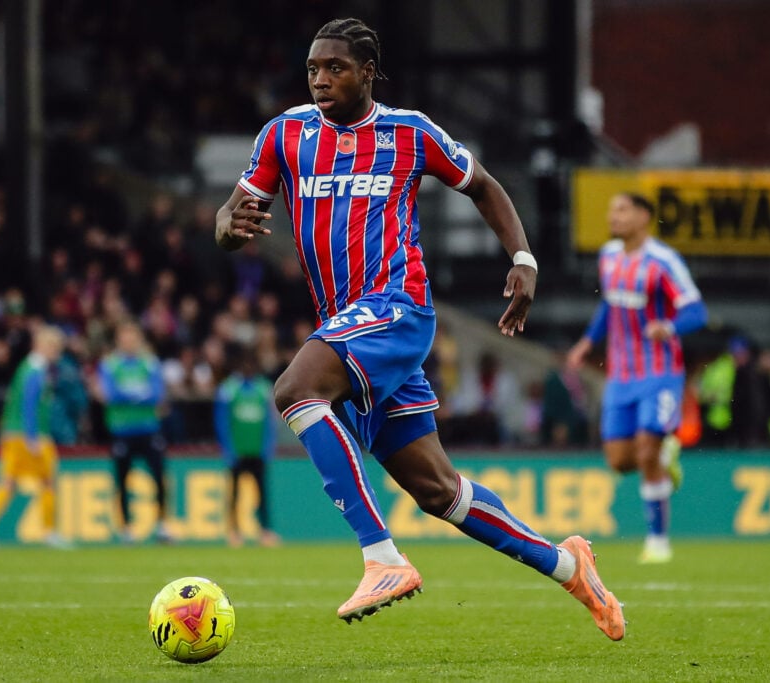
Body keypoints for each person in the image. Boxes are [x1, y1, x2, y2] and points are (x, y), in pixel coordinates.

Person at [215, 17, 623, 640]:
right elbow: (232, 212)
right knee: (439, 492)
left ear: (368, 73)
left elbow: (484, 186)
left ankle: (381, 557)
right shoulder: (284, 135)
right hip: (347, 327)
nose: (322, 80)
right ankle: (570, 567)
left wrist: (523, 259)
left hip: (397, 308)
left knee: (296, 390)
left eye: (336, 68)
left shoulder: (409, 133)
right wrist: (228, 222)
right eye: (313, 70)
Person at [567, 193, 707, 564]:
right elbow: (608, 305)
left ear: (644, 216)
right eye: (612, 210)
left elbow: (697, 311)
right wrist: (586, 341)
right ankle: (666, 455)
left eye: (623, 210)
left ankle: (658, 542)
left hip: (660, 372)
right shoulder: (609, 256)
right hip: (621, 375)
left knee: (646, 450)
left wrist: (669, 325)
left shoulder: (663, 261)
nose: (614, 216)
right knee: (618, 461)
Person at [0, 325, 71, 548]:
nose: (55, 352)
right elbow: (29, 404)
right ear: (40, 346)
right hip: (29, 434)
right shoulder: (35, 370)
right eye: (52, 346)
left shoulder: (28, 367)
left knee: (9, 482)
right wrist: (32, 436)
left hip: (14, 433)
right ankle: (48, 533)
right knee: (45, 482)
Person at [97, 321, 170, 543]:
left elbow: (157, 394)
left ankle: (161, 525)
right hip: (122, 430)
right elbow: (110, 395)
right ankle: (127, 527)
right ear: (119, 339)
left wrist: (127, 395)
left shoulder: (150, 363)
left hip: (148, 429)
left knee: (158, 478)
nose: (128, 341)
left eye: (132, 336)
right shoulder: (110, 365)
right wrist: (140, 395)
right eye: (124, 336)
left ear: (138, 338)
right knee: (122, 480)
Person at [214, 346, 280, 547]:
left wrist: (268, 447)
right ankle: (234, 532)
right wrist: (228, 449)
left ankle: (265, 531)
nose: (247, 368)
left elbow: (270, 422)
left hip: (257, 451)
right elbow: (221, 421)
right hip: (238, 450)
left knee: (262, 494)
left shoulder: (263, 388)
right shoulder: (228, 389)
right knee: (234, 493)